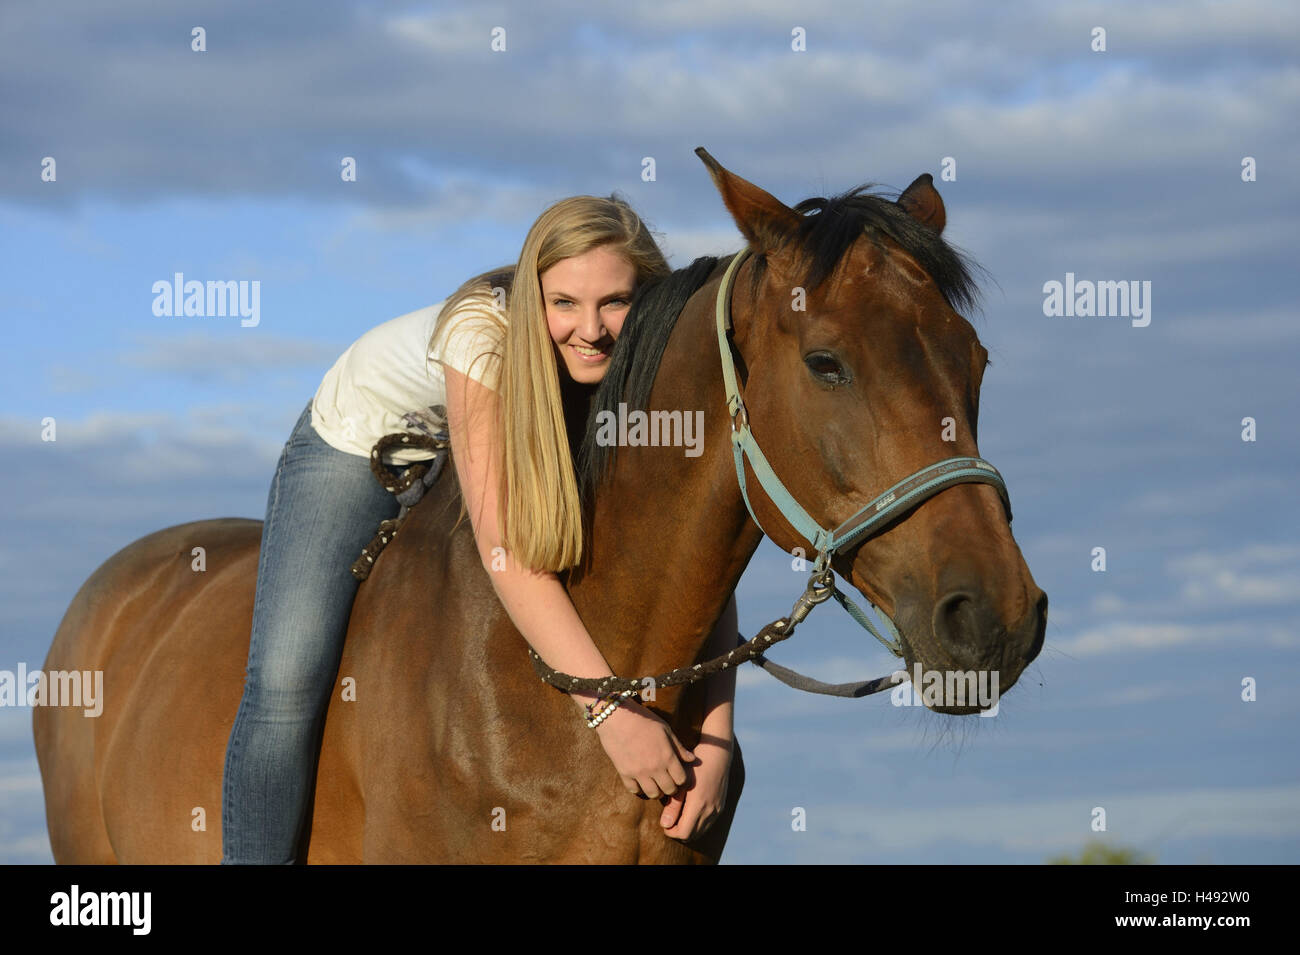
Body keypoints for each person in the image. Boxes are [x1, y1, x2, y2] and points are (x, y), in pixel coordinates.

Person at [221, 193, 738, 864]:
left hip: (504, 435)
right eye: (564, 303)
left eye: (616, 301)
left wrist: (718, 734)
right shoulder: (483, 332)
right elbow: (507, 550)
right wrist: (610, 714)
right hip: (369, 439)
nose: (591, 329)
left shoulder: (656, 356)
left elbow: (692, 556)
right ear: (533, 297)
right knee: (286, 679)